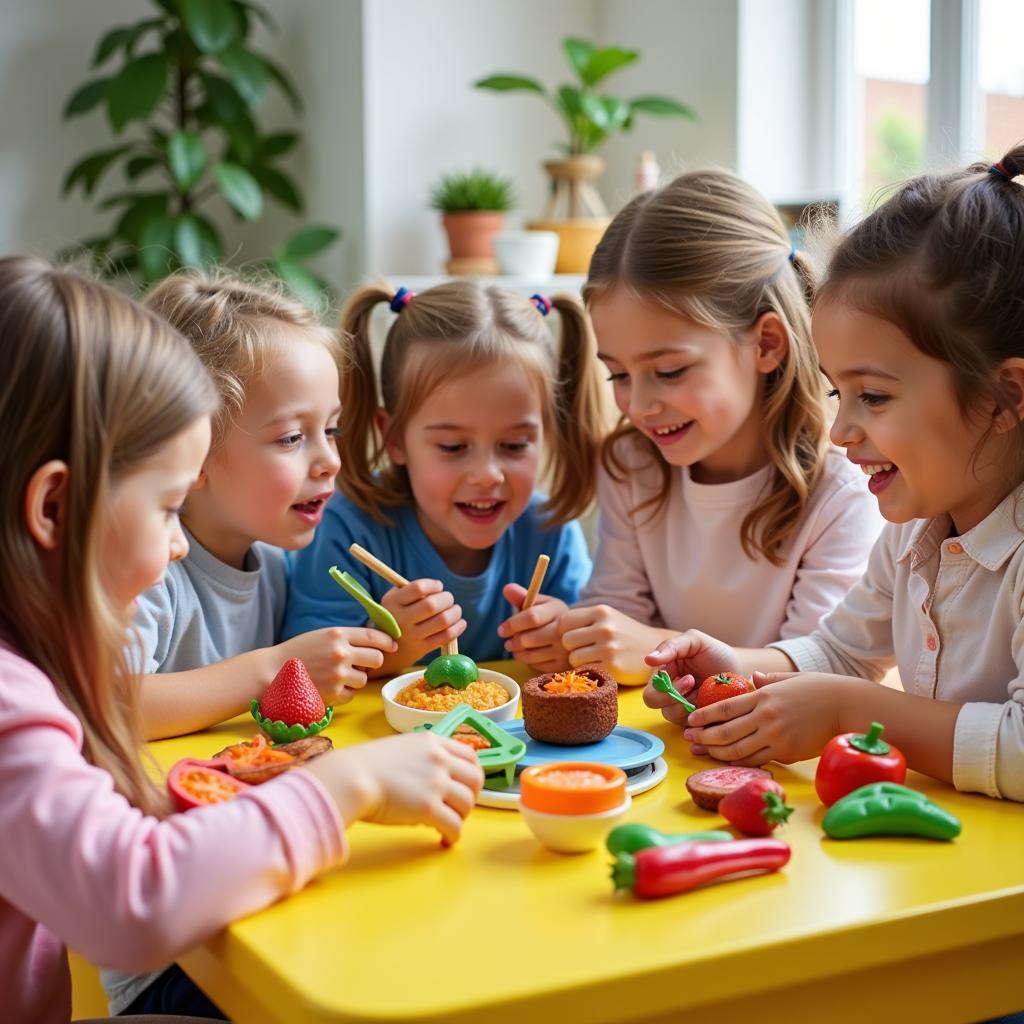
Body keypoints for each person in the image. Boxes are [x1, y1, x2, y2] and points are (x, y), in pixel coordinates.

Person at [0, 257, 482, 1024]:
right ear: (55, 506)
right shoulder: (11, 699)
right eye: (166, 505)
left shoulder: (275, 565)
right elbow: (134, 900)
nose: (180, 541)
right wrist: (345, 785)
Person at [644, 145, 1024, 803]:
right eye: (836, 394)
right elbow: (840, 655)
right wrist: (740, 674)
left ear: (1006, 397)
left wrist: (849, 712)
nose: (842, 431)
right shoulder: (915, 534)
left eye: (872, 397)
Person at [502, 169, 882, 681]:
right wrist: (579, 637)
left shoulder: (842, 489)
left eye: (669, 371)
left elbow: (826, 670)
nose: (638, 405)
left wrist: (656, 646)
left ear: (765, 344)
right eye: (617, 373)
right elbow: (617, 619)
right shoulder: (631, 465)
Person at [283, 281, 604, 674]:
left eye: (515, 445)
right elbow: (303, 672)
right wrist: (390, 648)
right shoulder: (347, 531)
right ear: (395, 438)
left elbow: (590, 662)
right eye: (453, 447)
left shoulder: (551, 531)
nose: (487, 475)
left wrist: (566, 642)